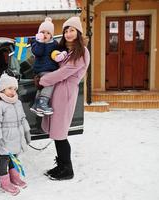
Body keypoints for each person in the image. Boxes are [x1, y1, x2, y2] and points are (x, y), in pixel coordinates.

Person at [39, 16, 90, 180]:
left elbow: (63, 72)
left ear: (78, 32)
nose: (68, 34)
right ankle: (61, 165)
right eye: (66, 31)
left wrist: (43, 80)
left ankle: (67, 170)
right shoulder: (65, 50)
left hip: (66, 91)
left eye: (72, 30)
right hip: (58, 90)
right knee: (56, 132)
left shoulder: (82, 52)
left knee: (60, 133)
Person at [0, 73, 31, 195]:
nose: (12, 91)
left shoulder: (17, 102)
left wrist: (27, 131)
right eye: (9, 88)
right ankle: (4, 181)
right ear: (2, 89)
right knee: (5, 158)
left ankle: (14, 177)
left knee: (15, 157)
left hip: (17, 135)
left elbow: (23, 118)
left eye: (14, 89)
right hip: (5, 136)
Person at [30, 17, 68, 117]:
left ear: (51, 35)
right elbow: (38, 52)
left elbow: (60, 50)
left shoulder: (54, 43)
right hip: (41, 70)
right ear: (39, 33)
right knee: (50, 82)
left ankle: (36, 104)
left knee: (42, 87)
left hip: (50, 69)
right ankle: (43, 102)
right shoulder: (36, 43)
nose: (45, 34)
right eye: (42, 32)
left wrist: (63, 53)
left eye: (48, 33)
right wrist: (40, 41)